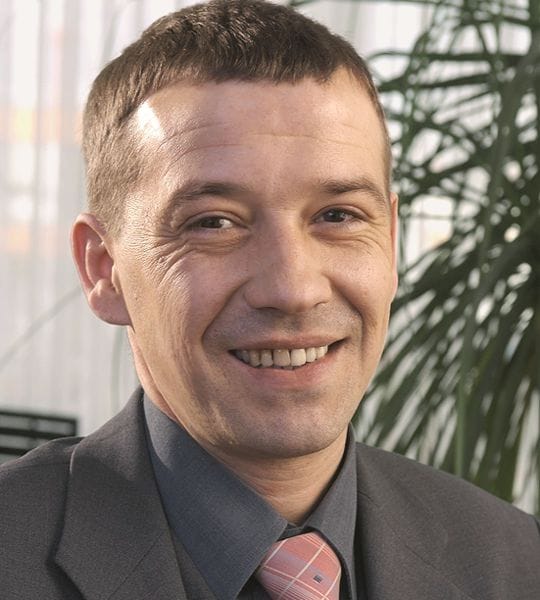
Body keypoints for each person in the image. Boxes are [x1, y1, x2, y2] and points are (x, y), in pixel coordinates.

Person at [0, 1, 538, 598]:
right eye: (213, 223)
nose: (293, 290)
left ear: (390, 243)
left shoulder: (517, 562)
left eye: (338, 216)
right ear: (104, 270)